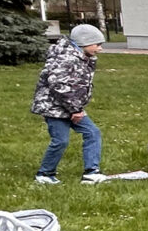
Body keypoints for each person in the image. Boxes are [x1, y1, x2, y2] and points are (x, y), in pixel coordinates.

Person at [31, 25, 106, 184]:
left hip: (71, 107)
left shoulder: (82, 57)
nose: (100, 49)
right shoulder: (66, 59)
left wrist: (77, 108)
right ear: (84, 42)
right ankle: (44, 174)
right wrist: (76, 110)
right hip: (54, 108)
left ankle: (91, 172)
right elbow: (59, 86)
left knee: (92, 133)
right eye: (97, 44)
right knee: (60, 140)